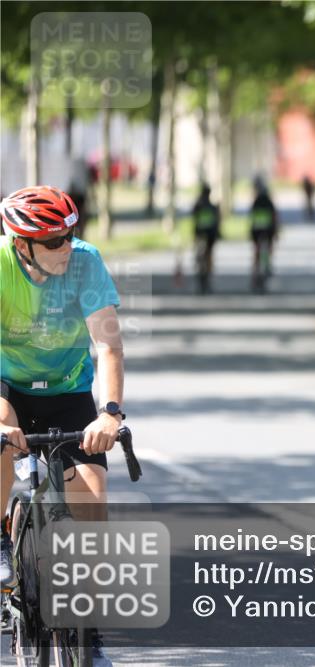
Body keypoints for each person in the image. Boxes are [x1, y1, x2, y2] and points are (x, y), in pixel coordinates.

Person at [0, 185, 124, 666]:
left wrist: (110, 413)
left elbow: (108, 346)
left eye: (70, 235)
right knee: (3, 435)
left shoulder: (85, 263)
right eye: (53, 241)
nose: (65, 247)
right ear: (21, 244)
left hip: (69, 391)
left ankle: (88, 632)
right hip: (8, 386)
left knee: (92, 503)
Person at [249, 177, 279, 292]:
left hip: (256, 230)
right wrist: (276, 231)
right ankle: (267, 265)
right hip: (268, 230)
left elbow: (251, 216)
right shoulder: (269, 202)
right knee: (269, 248)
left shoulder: (256, 201)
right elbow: (274, 217)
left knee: (256, 253)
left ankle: (255, 276)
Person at [191, 183, 221, 294]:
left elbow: (193, 216)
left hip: (199, 234)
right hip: (210, 235)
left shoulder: (198, 206)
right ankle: (208, 272)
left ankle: (199, 264)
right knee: (209, 254)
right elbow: (217, 221)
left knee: (200, 252)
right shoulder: (212, 207)